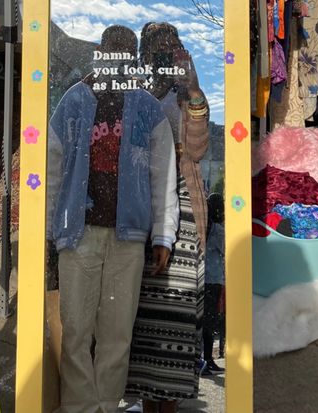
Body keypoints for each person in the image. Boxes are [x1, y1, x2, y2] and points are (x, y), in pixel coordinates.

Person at [47, 25, 178, 413]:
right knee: (75, 330)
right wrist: (49, 229)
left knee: (117, 333)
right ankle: (78, 407)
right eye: (112, 50)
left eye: (126, 51)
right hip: (79, 232)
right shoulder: (73, 101)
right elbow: (53, 168)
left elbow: (163, 173)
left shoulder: (147, 109)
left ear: (134, 57)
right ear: (101, 52)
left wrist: (163, 235)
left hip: (129, 236)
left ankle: (106, 404)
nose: (119, 57)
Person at [126, 22, 210, 413]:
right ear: (146, 52)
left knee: (177, 314)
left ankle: (171, 405)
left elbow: (198, 150)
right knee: (143, 320)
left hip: (186, 209)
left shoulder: (186, 97)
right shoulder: (135, 92)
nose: (163, 53)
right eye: (156, 47)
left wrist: (191, 89)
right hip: (143, 207)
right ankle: (146, 404)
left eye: (170, 45)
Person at [201, 192, 225, 376]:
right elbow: (226, 250)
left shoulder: (205, 227)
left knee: (205, 321)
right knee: (211, 320)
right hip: (215, 280)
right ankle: (208, 360)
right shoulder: (217, 230)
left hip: (203, 279)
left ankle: (204, 358)